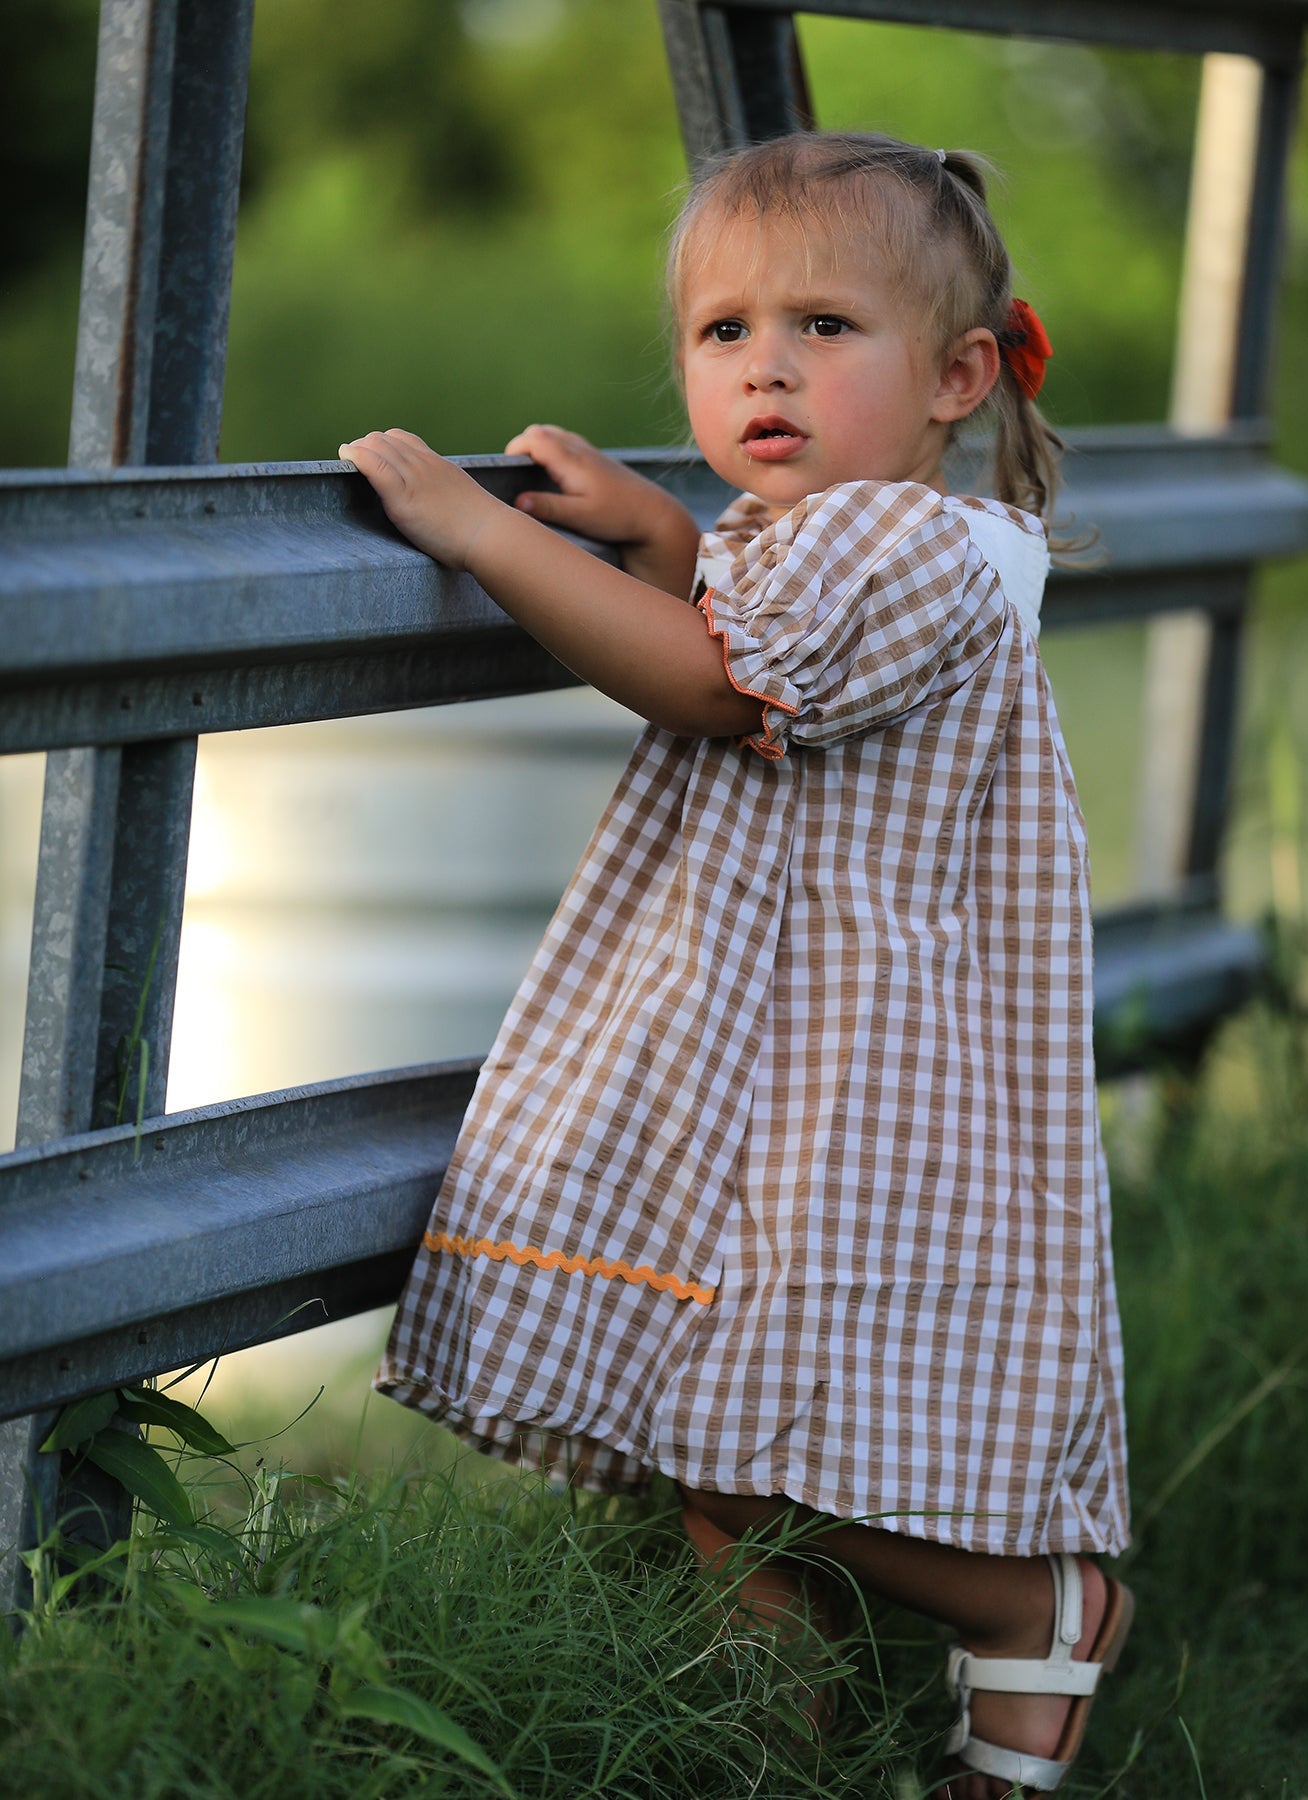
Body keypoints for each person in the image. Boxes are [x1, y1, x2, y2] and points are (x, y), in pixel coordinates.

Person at [341, 130, 1131, 1800]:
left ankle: (1028, 1603)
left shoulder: (898, 545)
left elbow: (713, 687)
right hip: (805, 1057)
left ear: (955, 375)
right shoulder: (862, 538)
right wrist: (657, 532)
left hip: (851, 1079)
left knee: (747, 1438)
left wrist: (489, 540)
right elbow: (748, 623)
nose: (764, 364)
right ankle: (760, 1750)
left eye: (825, 328)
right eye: (722, 333)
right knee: (710, 1433)